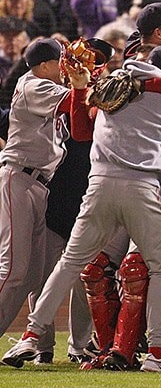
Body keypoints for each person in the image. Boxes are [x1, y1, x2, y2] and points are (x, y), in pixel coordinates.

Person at [2, 44, 161, 372]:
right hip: (142, 186)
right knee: (159, 269)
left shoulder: (111, 86)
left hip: (98, 185)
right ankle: (157, 353)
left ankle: (31, 333)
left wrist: (83, 86)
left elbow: (82, 129)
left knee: (72, 264)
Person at [0, 38, 87, 343]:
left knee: (33, 276)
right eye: (60, 61)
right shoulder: (35, 84)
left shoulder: (42, 84)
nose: (64, 67)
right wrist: (84, 84)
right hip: (19, 177)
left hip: (37, 184)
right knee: (13, 271)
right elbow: (74, 100)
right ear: (45, 64)